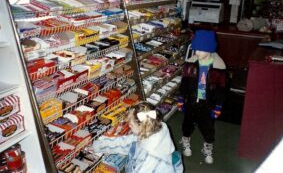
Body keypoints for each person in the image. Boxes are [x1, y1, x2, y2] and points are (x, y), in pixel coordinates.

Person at [92, 103, 183, 172]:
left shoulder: (148, 162)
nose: (129, 126)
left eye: (131, 124)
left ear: (142, 126)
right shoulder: (153, 132)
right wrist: (99, 144)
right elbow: (129, 142)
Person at [180, 30, 226, 164]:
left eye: (200, 50)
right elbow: (185, 83)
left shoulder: (219, 67)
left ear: (210, 49)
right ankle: (185, 140)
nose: (197, 53)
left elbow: (221, 89)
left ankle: (207, 147)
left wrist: (218, 106)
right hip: (191, 101)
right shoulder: (190, 63)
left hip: (208, 104)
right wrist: (181, 98)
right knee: (187, 123)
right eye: (195, 49)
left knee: (208, 128)